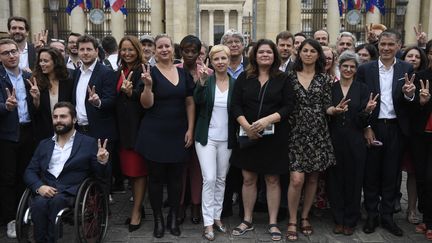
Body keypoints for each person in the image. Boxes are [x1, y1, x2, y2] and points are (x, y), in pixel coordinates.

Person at [229, 39, 295, 241]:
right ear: (254, 56)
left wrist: (267, 119)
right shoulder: (244, 77)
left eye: (269, 52)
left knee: (272, 179)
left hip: (274, 137)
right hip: (248, 135)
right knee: (248, 178)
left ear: (274, 55)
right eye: (261, 52)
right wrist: (246, 126)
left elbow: (288, 106)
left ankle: (273, 222)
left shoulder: (283, 79)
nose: (265, 55)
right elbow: (235, 105)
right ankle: (247, 219)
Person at [135, 34, 195, 238]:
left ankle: (173, 217)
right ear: (154, 50)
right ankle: (159, 219)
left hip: (179, 131)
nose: (163, 49)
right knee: (156, 179)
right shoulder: (147, 72)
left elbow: (189, 102)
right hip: (154, 133)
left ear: (172, 49)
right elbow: (146, 104)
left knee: (177, 179)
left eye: (166, 46)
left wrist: (191, 129)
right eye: (159, 46)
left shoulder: (184, 73)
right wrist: (149, 86)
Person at [356, 29, 415, 237]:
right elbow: (361, 101)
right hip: (373, 126)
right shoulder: (366, 69)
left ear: (398, 46)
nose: (387, 48)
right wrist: (366, 126)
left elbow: (411, 102)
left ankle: (388, 216)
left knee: (392, 173)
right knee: (371, 172)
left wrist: (409, 95)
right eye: (383, 44)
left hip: (396, 128)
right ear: (378, 45)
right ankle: (372, 214)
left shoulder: (407, 68)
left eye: (391, 44)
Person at [23, 101, 110, 243]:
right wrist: (39, 187)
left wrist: (102, 161)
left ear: (74, 119)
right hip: (47, 189)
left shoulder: (88, 143)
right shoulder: (44, 144)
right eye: (55, 117)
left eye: (63, 116)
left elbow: (99, 175)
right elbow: (30, 171)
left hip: (72, 191)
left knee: (56, 202)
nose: (58, 120)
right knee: (38, 204)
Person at [286, 39, 336, 241]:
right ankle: (291, 219)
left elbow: (327, 106)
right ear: (299, 54)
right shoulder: (288, 77)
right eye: (304, 50)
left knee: (313, 178)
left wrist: (336, 110)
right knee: (297, 179)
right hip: (295, 132)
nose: (308, 54)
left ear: (318, 55)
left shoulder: (324, 79)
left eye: (312, 51)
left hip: (318, 132)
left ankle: (305, 216)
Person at [327, 51, 378, 236]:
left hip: (355, 140)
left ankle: (350, 219)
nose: (348, 69)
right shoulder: (331, 88)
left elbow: (362, 123)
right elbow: (326, 115)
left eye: (352, 66)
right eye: (345, 66)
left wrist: (366, 111)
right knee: (335, 181)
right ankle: (338, 218)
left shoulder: (362, 89)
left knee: (355, 181)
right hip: (334, 139)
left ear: (356, 69)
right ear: (339, 67)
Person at [194, 44, 234, 241]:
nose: (220, 62)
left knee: (221, 179)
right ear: (211, 61)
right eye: (216, 59)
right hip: (206, 138)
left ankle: (217, 217)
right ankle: (208, 221)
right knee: (209, 178)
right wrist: (201, 83)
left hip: (227, 139)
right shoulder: (206, 80)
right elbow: (197, 101)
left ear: (228, 60)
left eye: (223, 58)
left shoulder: (235, 83)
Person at [0, 38, 35, 238]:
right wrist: (6, 107)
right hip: (7, 135)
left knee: (26, 175)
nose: (11, 55)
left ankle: (24, 213)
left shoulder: (29, 76)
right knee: (8, 178)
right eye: (6, 53)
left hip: (28, 132)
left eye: (14, 51)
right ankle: (11, 219)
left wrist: (37, 99)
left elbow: (36, 106)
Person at [115, 36, 148, 232]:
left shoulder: (142, 70)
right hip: (122, 129)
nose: (127, 53)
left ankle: (136, 211)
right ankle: (139, 206)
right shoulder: (118, 71)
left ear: (137, 50)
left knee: (138, 172)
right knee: (130, 172)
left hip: (138, 128)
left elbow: (145, 97)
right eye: (123, 50)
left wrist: (131, 93)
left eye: (130, 49)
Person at [175, 35, 206, 225]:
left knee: (197, 168)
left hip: (201, 126)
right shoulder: (174, 70)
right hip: (177, 124)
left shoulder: (207, 72)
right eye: (186, 51)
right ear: (180, 52)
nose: (190, 55)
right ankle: (179, 205)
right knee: (179, 168)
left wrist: (203, 80)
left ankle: (196, 204)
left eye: (194, 51)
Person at [397, 45, 428, 224]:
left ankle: (412, 209)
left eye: (417, 56)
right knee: (394, 170)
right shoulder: (398, 76)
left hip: (418, 133)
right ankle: (392, 202)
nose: (414, 59)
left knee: (414, 173)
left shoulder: (424, 78)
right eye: (410, 55)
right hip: (398, 129)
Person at [411, 39, 432, 241]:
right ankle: (426, 216)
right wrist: (421, 102)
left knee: (430, 177)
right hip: (421, 134)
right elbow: (412, 109)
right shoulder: (420, 77)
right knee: (421, 177)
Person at [29, 47, 73, 142]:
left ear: (56, 62)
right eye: (40, 61)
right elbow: (34, 113)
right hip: (45, 133)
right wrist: (36, 99)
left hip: (67, 131)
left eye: (45, 61)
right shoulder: (35, 82)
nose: (42, 64)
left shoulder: (68, 80)